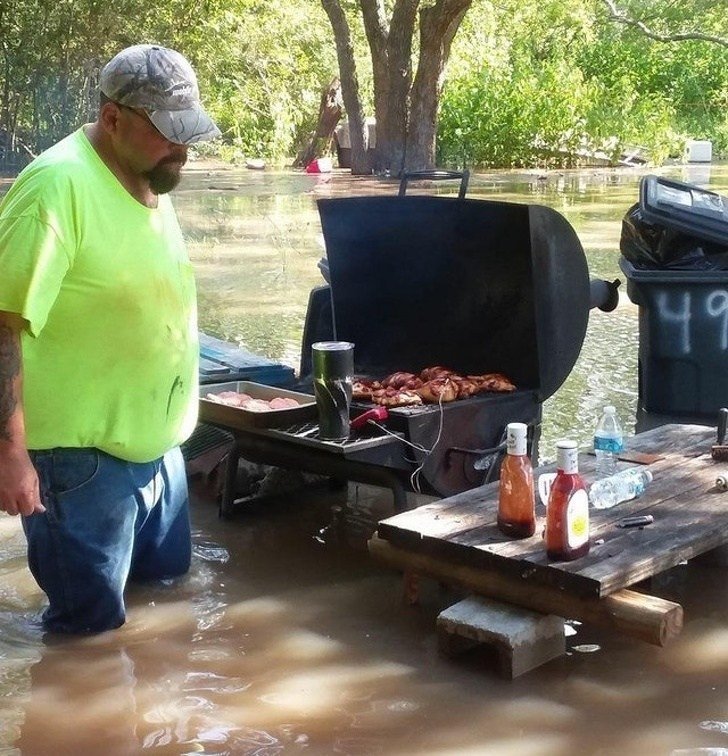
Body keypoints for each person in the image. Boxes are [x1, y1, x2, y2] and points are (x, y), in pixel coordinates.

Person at [0, 44, 220, 634]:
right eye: (168, 133)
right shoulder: (56, 187)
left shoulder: (148, 174)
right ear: (113, 117)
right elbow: (2, 326)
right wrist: (9, 453)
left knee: (166, 610)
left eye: (188, 133)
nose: (183, 148)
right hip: (79, 469)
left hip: (159, 456)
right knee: (85, 643)